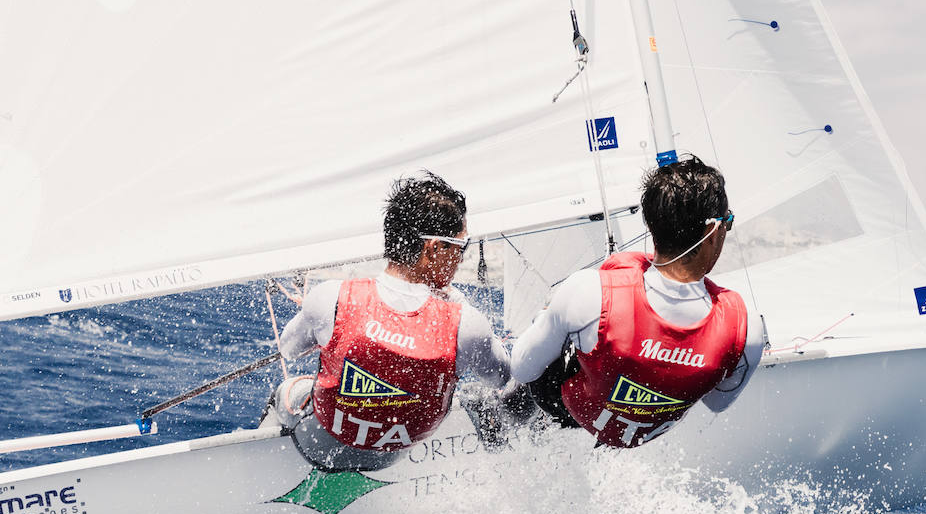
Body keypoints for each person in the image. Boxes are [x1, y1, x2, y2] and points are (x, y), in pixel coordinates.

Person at [508, 156, 765, 449]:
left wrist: (552, 313)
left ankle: (504, 415)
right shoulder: (747, 329)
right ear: (710, 231)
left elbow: (523, 370)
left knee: (560, 309)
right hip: (646, 432)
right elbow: (717, 403)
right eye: (727, 223)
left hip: (569, 412)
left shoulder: (588, 292)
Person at [266, 172, 510, 469]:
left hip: (320, 446)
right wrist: (458, 303)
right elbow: (500, 377)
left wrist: (322, 324)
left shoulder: (331, 298)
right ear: (433, 249)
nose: (462, 258)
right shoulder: (467, 323)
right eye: (461, 246)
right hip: (391, 458)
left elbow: (289, 350)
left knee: (288, 389)